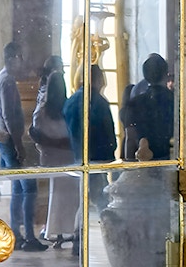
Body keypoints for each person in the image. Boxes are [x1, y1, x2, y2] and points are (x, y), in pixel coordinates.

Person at [0, 42, 47, 252]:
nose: (22, 62)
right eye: (20, 58)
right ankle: (28, 237)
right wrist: (18, 145)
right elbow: (8, 115)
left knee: (17, 188)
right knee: (28, 188)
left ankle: (16, 233)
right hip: (10, 141)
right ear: (13, 57)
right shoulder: (7, 82)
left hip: (6, 141)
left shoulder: (3, 78)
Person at [64, 65, 116, 256]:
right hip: (95, 157)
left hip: (76, 158)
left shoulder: (71, 101)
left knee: (82, 201)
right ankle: (112, 236)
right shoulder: (98, 102)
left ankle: (78, 239)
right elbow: (107, 132)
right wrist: (110, 155)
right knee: (101, 199)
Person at [31, 70, 77, 247]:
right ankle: (72, 230)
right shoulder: (67, 108)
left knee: (55, 197)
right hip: (68, 156)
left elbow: (37, 130)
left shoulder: (43, 111)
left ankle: (56, 233)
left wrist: (48, 143)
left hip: (51, 157)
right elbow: (72, 133)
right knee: (71, 199)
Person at [121, 54, 175, 161]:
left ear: (145, 76)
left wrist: (129, 167)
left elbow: (130, 139)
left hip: (142, 166)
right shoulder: (175, 101)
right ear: (166, 74)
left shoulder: (135, 103)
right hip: (170, 162)